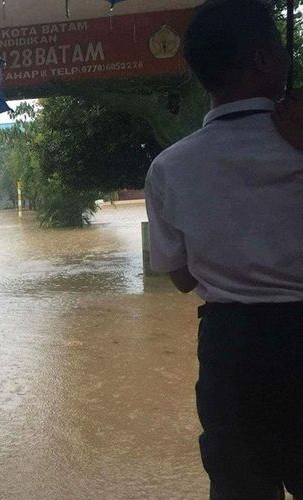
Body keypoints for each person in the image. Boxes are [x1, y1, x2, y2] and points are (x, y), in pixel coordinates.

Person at [144, 1, 303, 498]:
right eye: (278, 47)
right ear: (262, 61)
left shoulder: (169, 168)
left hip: (230, 355)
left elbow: (182, 277)